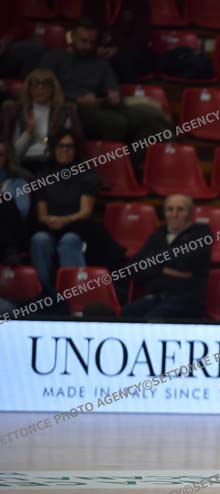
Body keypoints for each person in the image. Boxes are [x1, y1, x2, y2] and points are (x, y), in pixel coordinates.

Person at [39, 18, 170, 170]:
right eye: (83, 41)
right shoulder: (55, 58)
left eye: (92, 42)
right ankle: (115, 168)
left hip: (101, 106)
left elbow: (113, 89)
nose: (88, 46)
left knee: (155, 123)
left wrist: (114, 94)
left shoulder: (100, 63)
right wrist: (75, 99)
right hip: (70, 109)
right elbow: (41, 89)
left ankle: (130, 167)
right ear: (72, 37)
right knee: (116, 122)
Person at [29, 130, 99, 296]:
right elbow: (42, 214)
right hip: (50, 227)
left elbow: (85, 211)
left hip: (77, 227)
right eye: (61, 146)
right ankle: (44, 293)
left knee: (69, 240)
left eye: (69, 146)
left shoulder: (85, 175)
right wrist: (51, 221)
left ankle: (74, 293)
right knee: (39, 240)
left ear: (76, 150)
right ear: (53, 149)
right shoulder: (42, 176)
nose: (65, 150)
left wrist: (65, 220)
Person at [121, 194, 211, 320]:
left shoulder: (201, 233)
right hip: (156, 298)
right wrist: (163, 269)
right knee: (127, 313)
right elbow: (132, 267)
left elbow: (186, 261)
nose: (174, 214)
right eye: (170, 209)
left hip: (187, 301)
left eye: (180, 209)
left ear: (190, 213)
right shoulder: (159, 234)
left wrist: (153, 260)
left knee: (154, 318)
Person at [3, 68, 84, 173]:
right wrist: (28, 132)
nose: (40, 90)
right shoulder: (19, 112)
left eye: (45, 86)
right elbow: (14, 154)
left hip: (53, 164)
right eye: (35, 86)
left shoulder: (64, 113)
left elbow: (69, 148)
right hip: (25, 163)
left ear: (53, 89)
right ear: (29, 90)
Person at [82, 0, 156, 83]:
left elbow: (142, 36)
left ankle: (129, 90)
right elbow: (83, 28)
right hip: (96, 49)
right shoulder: (91, 2)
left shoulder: (139, 3)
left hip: (127, 52)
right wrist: (95, 48)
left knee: (124, 59)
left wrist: (118, 49)